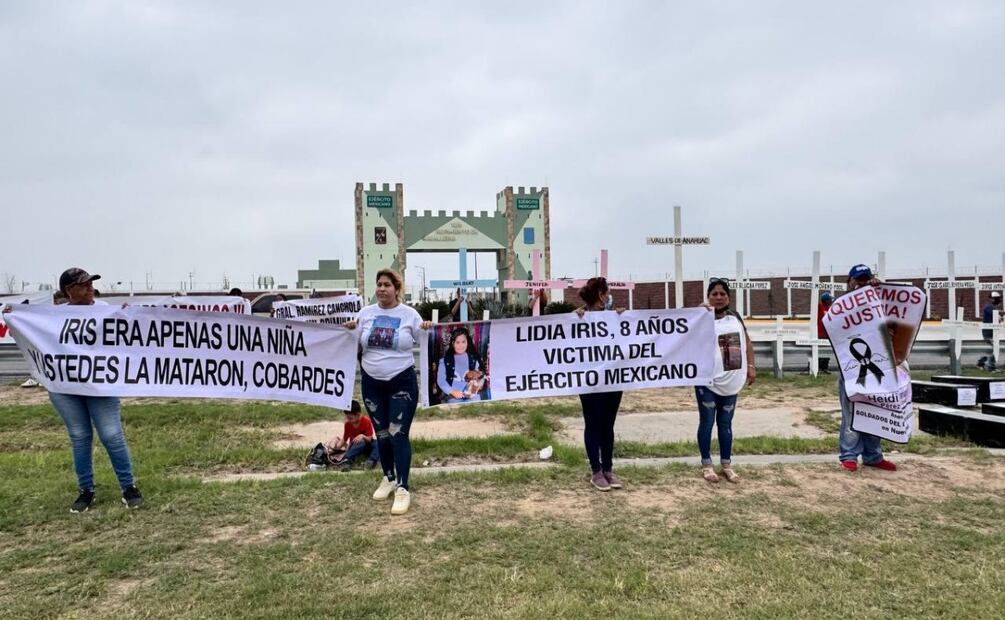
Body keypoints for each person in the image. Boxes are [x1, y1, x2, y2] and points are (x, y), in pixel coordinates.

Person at [28, 269, 142, 512]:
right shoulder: (54, 316)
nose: (90, 287)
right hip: (64, 387)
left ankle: (128, 487)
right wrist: (12, 314)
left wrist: (130, 315)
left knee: (111, 435)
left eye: (91, 283)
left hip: (99, 385)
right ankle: (86, 490)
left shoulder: (104, 310)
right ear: (69, 291)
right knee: (80, 436)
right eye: (84, 284)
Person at [344, 269, 431, 515]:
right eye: (379, 284)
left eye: (387, 285)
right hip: (372, 384)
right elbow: (352, 343)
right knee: (382, 435)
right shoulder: (365, 313)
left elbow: (428, 340)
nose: (382, 289)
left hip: (401, 383)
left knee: (397, 435)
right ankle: (388, 478)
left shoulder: (409, 314)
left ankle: (403, 487)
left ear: (397, 288)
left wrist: (427, 328)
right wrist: (350, 330)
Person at [837, 264, 897, 472]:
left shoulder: (878, 300)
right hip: (851, 367)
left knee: (874, 411)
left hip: (877, 366)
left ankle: (873, 455)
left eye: (866, 279)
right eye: (858, 279)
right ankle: (849, 455)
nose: (862, 283)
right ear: (850, 281)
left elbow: (895, 315)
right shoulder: (842, 304)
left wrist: (880, 291)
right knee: (851, 412)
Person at [696, 278, 756, 483]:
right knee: (707, 422)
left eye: (723, 294)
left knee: (725, 423)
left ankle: (726, 464)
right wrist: (697, 312)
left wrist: (751, 366)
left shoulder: (735, 317)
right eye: (714, 294)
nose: (719, 297)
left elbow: (747, 342)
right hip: (707, 380)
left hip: (731, 379)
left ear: (728, 297)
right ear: (708, 297)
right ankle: (706, 465)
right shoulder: (701, 317)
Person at [574, 277, 626, 491]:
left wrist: (624, 318)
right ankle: (596, 470)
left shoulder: (614, 317)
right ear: (601, 294)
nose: (609, 296)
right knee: (593, 423)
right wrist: (575, 319)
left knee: (608, 425)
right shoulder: (579, 317)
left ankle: (608, 469)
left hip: (612, 379)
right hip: (589, 382)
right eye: (607, 292)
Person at [436, 327, 485, 403]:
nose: (461, 345)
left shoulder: (474, 359)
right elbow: (441, 380)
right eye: (457, 342)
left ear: (467, 342)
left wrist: (478, 385)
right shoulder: (444, 361)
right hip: (453, 396)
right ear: (453, 343)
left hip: (472, 394)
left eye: (463, 342)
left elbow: (481, 376)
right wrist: (452, 391)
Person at [327, 400, 379, 471]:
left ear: (358, 414)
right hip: (355, 446)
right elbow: (344, 439)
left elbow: (369, 439)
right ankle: (347, 460)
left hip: (367, 444)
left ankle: (371, 461)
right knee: (360, 442)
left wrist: (362, 436)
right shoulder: (347, 424)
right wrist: (335, 449)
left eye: (350, 418)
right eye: (347, 418)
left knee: (378, 443)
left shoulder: (366, 421)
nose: (349, 420)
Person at [977, 291, 1002, 372]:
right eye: (997, 298)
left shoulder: (992, 307)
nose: (999, 300)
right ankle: (990, 366)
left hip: (992, 331)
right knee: (995, 348)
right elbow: (996, 316)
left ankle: (981, 362)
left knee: (992, 349)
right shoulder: (989, 307)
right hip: (988, 332)